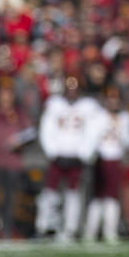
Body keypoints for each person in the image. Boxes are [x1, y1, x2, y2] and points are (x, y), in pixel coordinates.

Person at [36, 74, 99, 241]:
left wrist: (84, 153)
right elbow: (46, 129)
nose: (72, 92)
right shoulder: (54, 104)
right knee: (50, 191)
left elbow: (93, 131)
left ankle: (70, 228)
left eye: (75, 88)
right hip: (58, 156)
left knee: (73, 193)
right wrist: (53, 152)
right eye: (69, 88)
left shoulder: (89, 106)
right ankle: (45, 225)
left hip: (76, 157)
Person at [0, 79, 34, 240]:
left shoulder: (19, 114)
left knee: (10, 200)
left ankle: (7, 231)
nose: (5, 98)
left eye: (8, 94)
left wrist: (20, 140)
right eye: (3, 94)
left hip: (12, 162)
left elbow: (31, 132)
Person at [83, 86, 129, 243]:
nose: (113, 102)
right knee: (97, 196)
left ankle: (110, 230)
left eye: (116, 98)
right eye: (110, 98)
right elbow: (90, 139)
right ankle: (91, 231)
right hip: (100, 158)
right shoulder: (97, 117)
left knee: (112, 196)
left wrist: (120, 130)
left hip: (116, 159)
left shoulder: (125, 117)